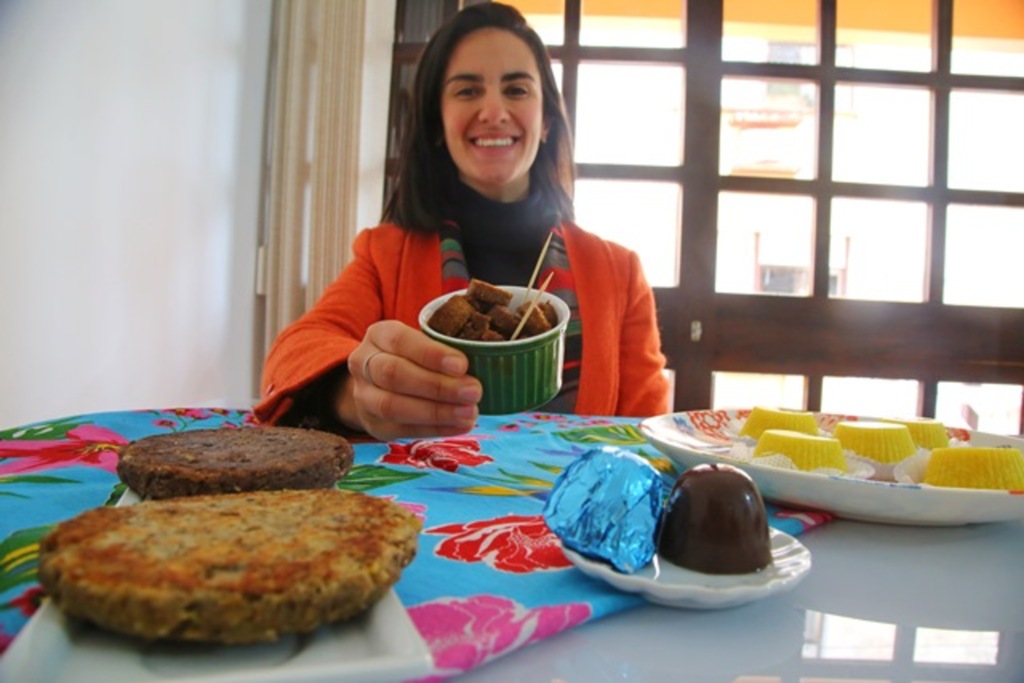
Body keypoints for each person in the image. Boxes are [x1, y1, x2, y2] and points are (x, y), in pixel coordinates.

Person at [255, 2, 669, 440]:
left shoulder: (619, 272)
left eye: (517, 90)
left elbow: (649, 434)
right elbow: (292, 354)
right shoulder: (385, 253)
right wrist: (354, 394)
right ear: (437, 123)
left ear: (546, 120)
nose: (493, 111)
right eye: (467, 91)